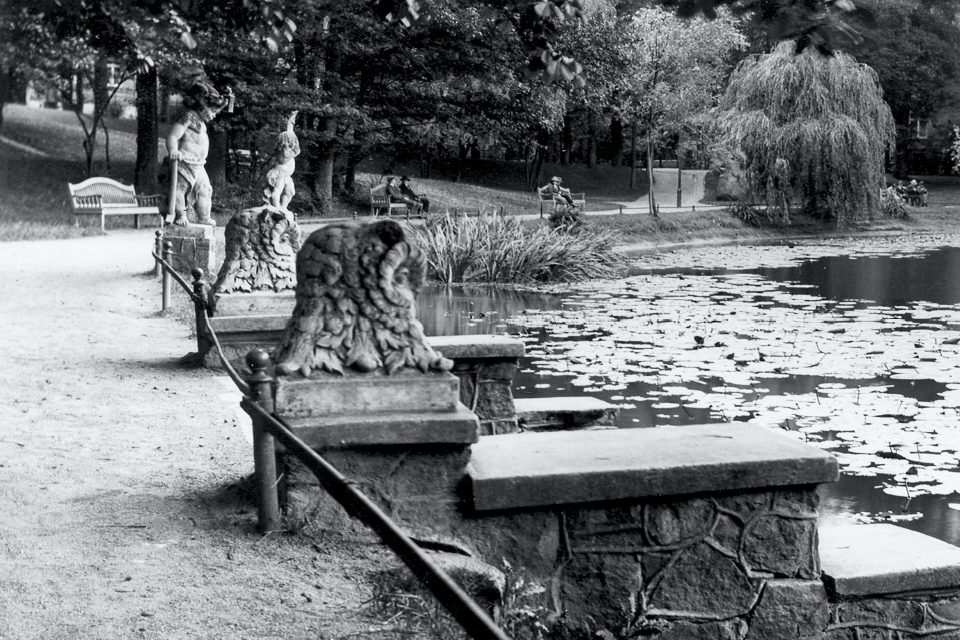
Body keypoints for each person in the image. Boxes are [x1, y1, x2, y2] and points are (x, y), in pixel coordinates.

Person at [165, 82, 231, 226]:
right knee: (180, 190)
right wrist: (173, 150)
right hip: (185, 163)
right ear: (202, 106)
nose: (214, 115)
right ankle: (181, 215)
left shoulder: (200, 122)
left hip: (199, 165)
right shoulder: (188, 117)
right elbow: (172, 137)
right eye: (212, 111)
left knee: (206, 190)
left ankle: (204, 217)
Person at [263, 110, 301, 212]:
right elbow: (292, 153)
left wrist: (290, 122)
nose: (292, 143)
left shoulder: (288, 148)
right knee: (277, 191)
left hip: (286, 175)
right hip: (280, 173)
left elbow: (290, 134)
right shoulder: (283, 151)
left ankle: (283, 207)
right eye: (290, 141)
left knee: (290, 192)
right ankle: (276, 209)